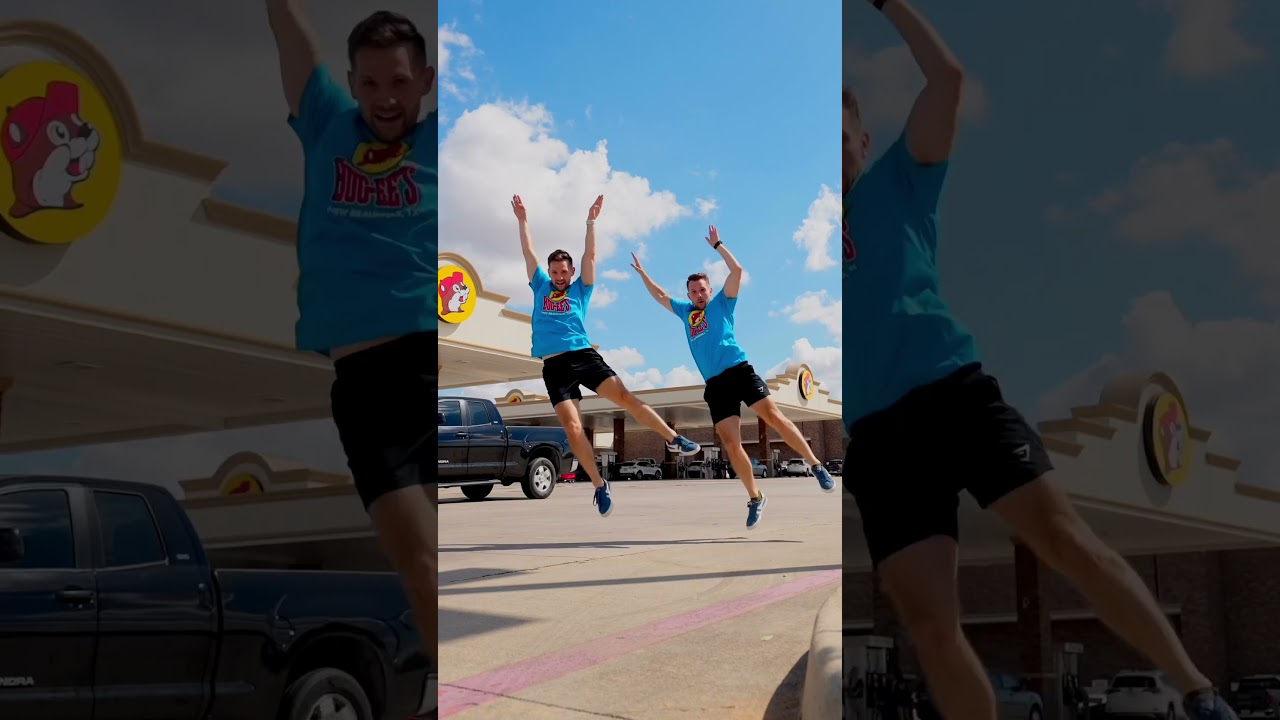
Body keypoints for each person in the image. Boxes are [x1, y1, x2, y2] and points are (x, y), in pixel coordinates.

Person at [843, 2, 1238, 719]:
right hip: (878, 437)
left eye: (836, 132)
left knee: (1064, 540)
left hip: (950, 393)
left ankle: (1197, 690)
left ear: (862, 138)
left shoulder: (899, 180)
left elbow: (949, 77)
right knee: (931, 627)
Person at [266, 2, 437, 717]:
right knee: (413, 554)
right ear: (350, 83)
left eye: (397, 82)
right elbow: (289, 34)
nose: (384, 99)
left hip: (429, 361)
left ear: (424, 81)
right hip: (362, 382)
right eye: (368, 84)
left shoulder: (442, 143)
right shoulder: (327, 122)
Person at [630, 226, 836, 528]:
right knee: (731, 443)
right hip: (716, 385)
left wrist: (719, 245)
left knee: (774, 417)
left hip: (740, 371)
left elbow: (737, 270)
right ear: (688, 294)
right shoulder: (686, 313)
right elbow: (660, 295)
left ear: (710, 291)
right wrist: (643, 273)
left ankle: (816, 465)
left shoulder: (722, 304)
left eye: (703, 290)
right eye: (694, 291)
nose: (699, 295)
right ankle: (756, 497)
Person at [513, 194, 701, 517]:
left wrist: (590, 222)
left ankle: (672, 438)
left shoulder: (581, 289)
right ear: (548, 272)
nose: (559, 276)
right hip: (553, 367)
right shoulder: (540, 284)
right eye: (554, 271)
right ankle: (600, 486)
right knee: (573, 429)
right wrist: (522, 220)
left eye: (563, 271)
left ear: (571, 272)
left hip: (583, 356)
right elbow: (528, 251)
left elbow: (591, 254)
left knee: (625, 396)